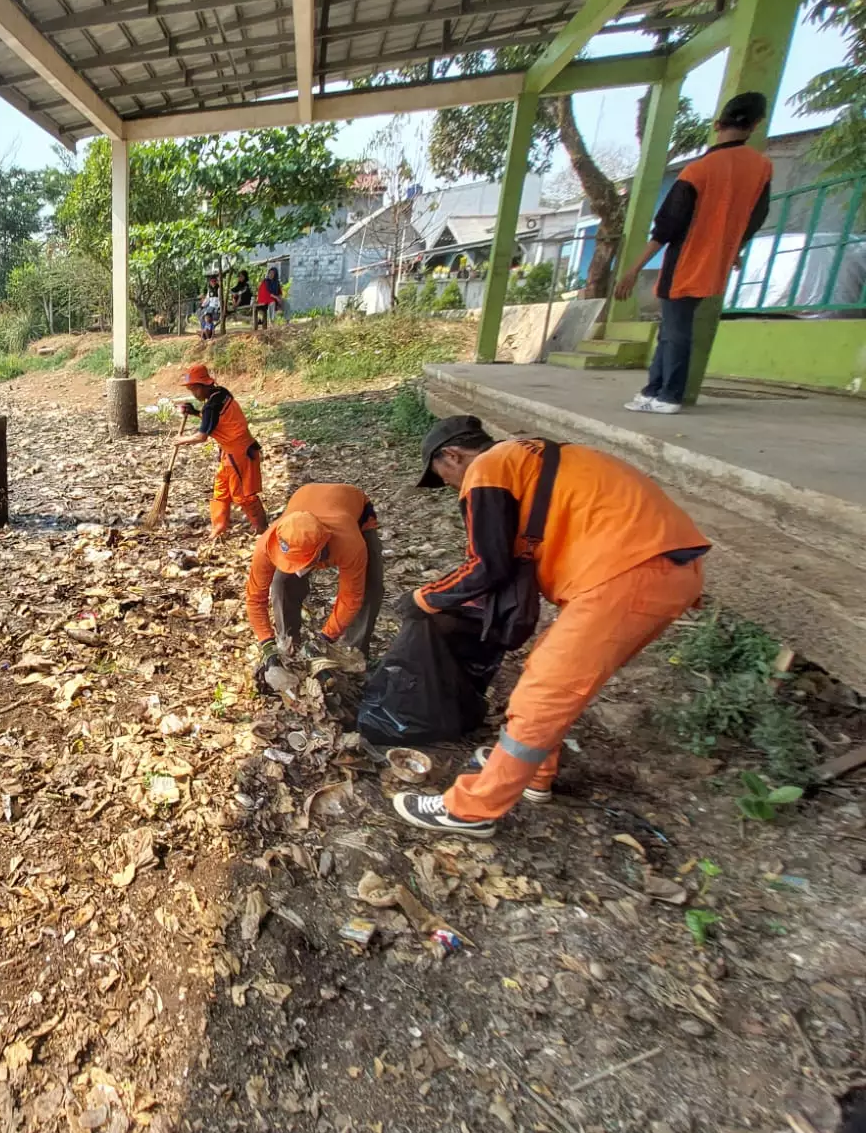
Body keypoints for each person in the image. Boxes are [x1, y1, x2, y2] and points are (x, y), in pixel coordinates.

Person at [389, 415, 710, 839]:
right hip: (665, 569)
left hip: (629, 573)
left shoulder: (488, 466)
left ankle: (472, 810)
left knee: (545, 691)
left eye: (443, 476)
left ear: (453, 455)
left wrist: (422, 599)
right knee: (553, 674)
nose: (451, 486)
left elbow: (487, 565)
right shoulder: (533, 457)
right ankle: (535, 774)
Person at [615, 91, 773, 415]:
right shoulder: (761, 168)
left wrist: (633, 270)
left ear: (717, 125)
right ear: (756, 125)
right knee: (672, 328)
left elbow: (666, 228)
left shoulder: (698, 171)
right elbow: (756, 217)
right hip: (716, 261)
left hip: (686, 260)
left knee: (675, 330)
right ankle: (653, 389)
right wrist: (734, 250)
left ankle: (669, 395)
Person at [247, 484, 384, 691]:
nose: (298, 570)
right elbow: (255, 599)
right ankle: (289, 645)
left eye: (304, 565)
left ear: (322, 549)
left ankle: (353, 655)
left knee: (369, 586)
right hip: (304, 500)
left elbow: (351, 597)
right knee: (281, 582)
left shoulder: (349, 543)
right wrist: (268, 648)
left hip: (353, 506)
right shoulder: (268, 544)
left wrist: (324, 638)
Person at [173, 363, 266, 538]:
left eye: (194, 389)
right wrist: (195, 412)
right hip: (230, 451)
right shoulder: (222, 393)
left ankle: (261, 528)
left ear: (203, 385)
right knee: (221, 489)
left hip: (239, 452)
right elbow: (215, 420)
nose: (193, 393)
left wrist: (181, 440)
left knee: (242, 494)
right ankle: (219, 528)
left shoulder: (211, 407)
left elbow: (202, 436)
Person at [199, 274, 223, 340]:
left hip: (215, 307)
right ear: (210, 282)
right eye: (212, 281)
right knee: (202, 317)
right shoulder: (209, 290)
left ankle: (209, 333)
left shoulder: (219, 289)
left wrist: (219, 307)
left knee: (209, 318)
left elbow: (220, 299)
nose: (213, 282)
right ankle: (204, 332)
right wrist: (202, 305)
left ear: (217, 281)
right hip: (210, 306)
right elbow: (207, 299)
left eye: (215, 281)